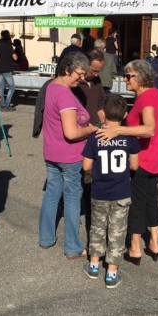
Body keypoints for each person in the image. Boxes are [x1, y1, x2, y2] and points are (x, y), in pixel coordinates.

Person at [96, 60, 158, 266]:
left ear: (142, 77)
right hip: (157, 158)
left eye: (129, 76)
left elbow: (149, 128)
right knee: (151, 199)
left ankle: (135, 247)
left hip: (142, 159)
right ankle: (154, 243)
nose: (124, 79)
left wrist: (118, 129)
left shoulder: (145, 99)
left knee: (136, 202)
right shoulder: (156, 94)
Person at [38, 52, 98, 259]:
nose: (81, 79)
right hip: (69, 154)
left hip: (52, 151)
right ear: (67, 70)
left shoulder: (52, 87)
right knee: (73, 199)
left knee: (53, 193)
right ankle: (72, 247)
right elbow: (71, 133)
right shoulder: (64, 94)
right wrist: (90, 130)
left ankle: (46, 237)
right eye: (79, 74)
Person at [82, 94, 140, 289]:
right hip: (121, 191)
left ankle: (93, 266)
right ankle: (112, 274)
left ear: (103, 114)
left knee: (97, 228)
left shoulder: (95, 137)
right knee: (117, 231)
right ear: (124, 116)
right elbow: (134, 165)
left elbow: (86, 164)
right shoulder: (129, 137)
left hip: (99, 191)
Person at [73, 49, 106, 127]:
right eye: (94, 70)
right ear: (85, 65)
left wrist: (104, 123)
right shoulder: (74, 82)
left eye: (99, 71)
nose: (96, 75)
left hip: (92, 129)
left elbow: (100, 105)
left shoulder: (97, 80)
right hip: (76, 129)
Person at [0, 30, 17, 111]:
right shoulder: (9, 46)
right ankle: (7, 104)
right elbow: (15, 57)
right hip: (7, 68)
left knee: (1, 87)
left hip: (0, 68)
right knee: (12, 87)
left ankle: (2, 104)